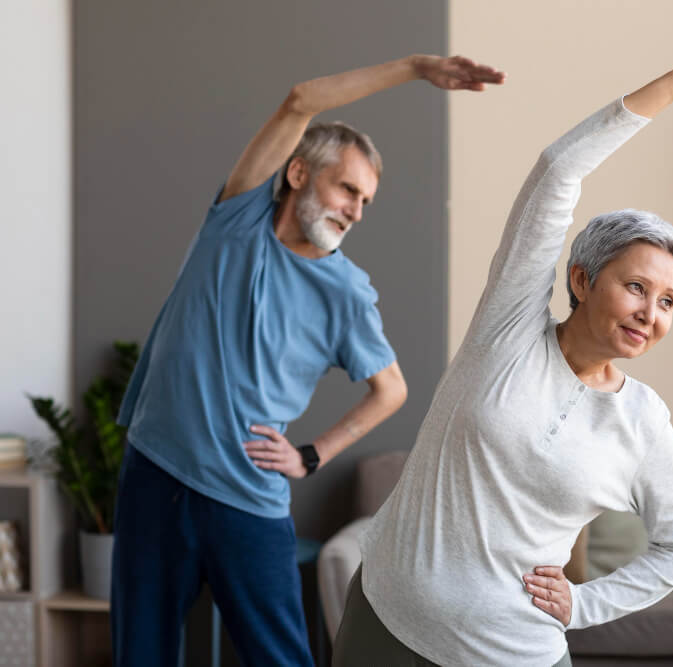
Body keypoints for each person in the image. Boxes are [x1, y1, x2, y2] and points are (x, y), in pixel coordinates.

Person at [332, 61, 673, 666]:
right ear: (581, 279)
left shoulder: (642, 420)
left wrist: (586, 604)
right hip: (385, 626)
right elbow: (559, 168)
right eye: (635, 286)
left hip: (513, 653)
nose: (649, 312)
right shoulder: (509, 332)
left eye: (668, 301)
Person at [110, 54, 506, 666]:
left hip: (246, 498)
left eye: (366, 201)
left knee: (281, 659)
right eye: (347, 188)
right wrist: (418, 69)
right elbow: (301, 99)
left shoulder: (347, 292)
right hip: (155, 474)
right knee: (141, 654)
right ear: (298, 172)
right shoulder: (236, 219)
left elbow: (391, 389)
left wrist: (311, 454)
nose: (355, 209)